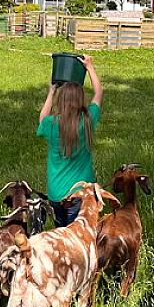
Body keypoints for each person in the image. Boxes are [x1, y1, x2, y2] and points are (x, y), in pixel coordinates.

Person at [37, 55, 103, 226]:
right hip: (80, 195)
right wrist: (89, 66)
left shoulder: (51, 124)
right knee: (81, 239)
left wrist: (51, 92)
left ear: (61, 101)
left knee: (63, 238)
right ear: (80, 100)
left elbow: (42, 117)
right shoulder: (87, 121)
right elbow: (98, 93)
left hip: (56, 194)